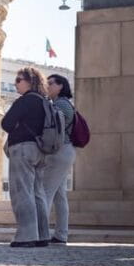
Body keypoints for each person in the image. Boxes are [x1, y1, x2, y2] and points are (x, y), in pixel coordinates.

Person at [1, 67, 51, 248]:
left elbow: (6, 123)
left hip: (22, 148)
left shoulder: (25, 101)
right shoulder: (45, 102)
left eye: (18, 80)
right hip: (41, 151)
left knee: (22, 192)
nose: (15, 83)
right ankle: (42, 235)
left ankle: (26, 236)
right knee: (38, 193)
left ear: (30, 81)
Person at [41, 74, 76, 245]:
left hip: (59, 152)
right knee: (60, 195)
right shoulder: (63, 104)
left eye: (51, 83)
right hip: (65, 152)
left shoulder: (61, 105)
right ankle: (61, 234)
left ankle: (40, 234)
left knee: (45, 192)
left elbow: (51, 127)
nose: (47, 86)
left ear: (60, 86)